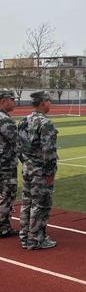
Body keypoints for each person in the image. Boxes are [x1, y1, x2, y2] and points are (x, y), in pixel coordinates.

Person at [18, 91, 58, 249]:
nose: (51, 103)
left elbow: (18, 147)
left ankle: (25, 237)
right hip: (40, 170)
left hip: (27, 168)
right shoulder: (45, 123)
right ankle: (36, 239)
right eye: (49, 100)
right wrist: (50, 173)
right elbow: (49, 151)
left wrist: (27, 162)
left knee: (27, 203)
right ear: (43, 103)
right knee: (41, 204)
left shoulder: (23, 120)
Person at [0, 90, 19, 238]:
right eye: (12, 99)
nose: (14, 102)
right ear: (4, 100)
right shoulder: (5, 119)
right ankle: (2, 227)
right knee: (8, 195)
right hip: (5, 165)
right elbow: (16, 140)